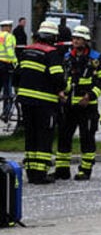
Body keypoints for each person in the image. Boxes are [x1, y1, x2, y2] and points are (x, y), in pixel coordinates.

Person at [15, 21, 67, 184]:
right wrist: (63, 89)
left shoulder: (26, 51)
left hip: (26, 101)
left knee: (31, 136)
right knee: (44, 136)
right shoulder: (52, 54)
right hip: (45, 102)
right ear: (53, 38)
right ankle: (40, 174)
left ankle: (31, 172)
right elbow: (57, 77)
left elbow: (16, 75)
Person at [55, 25, 101, 180]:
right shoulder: (67, 57)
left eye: (78, 38)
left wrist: (90, 96)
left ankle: (85, 169)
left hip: (87, 107)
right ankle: (62, 170)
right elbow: (63, 77)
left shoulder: (95, 58)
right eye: (74, 38)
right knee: (64, 137)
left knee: (87, 138)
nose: (75, 41)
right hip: (69, 105)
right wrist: (61, 91)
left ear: (85, 40)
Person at [0, 20, 17, 122]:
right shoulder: (9, 37)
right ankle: (6, 113)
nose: (11, 29)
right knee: (8, 89)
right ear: (6, 27)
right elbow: (10, 50)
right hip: (6, 65)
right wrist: (15, 62)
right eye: (10, 27)